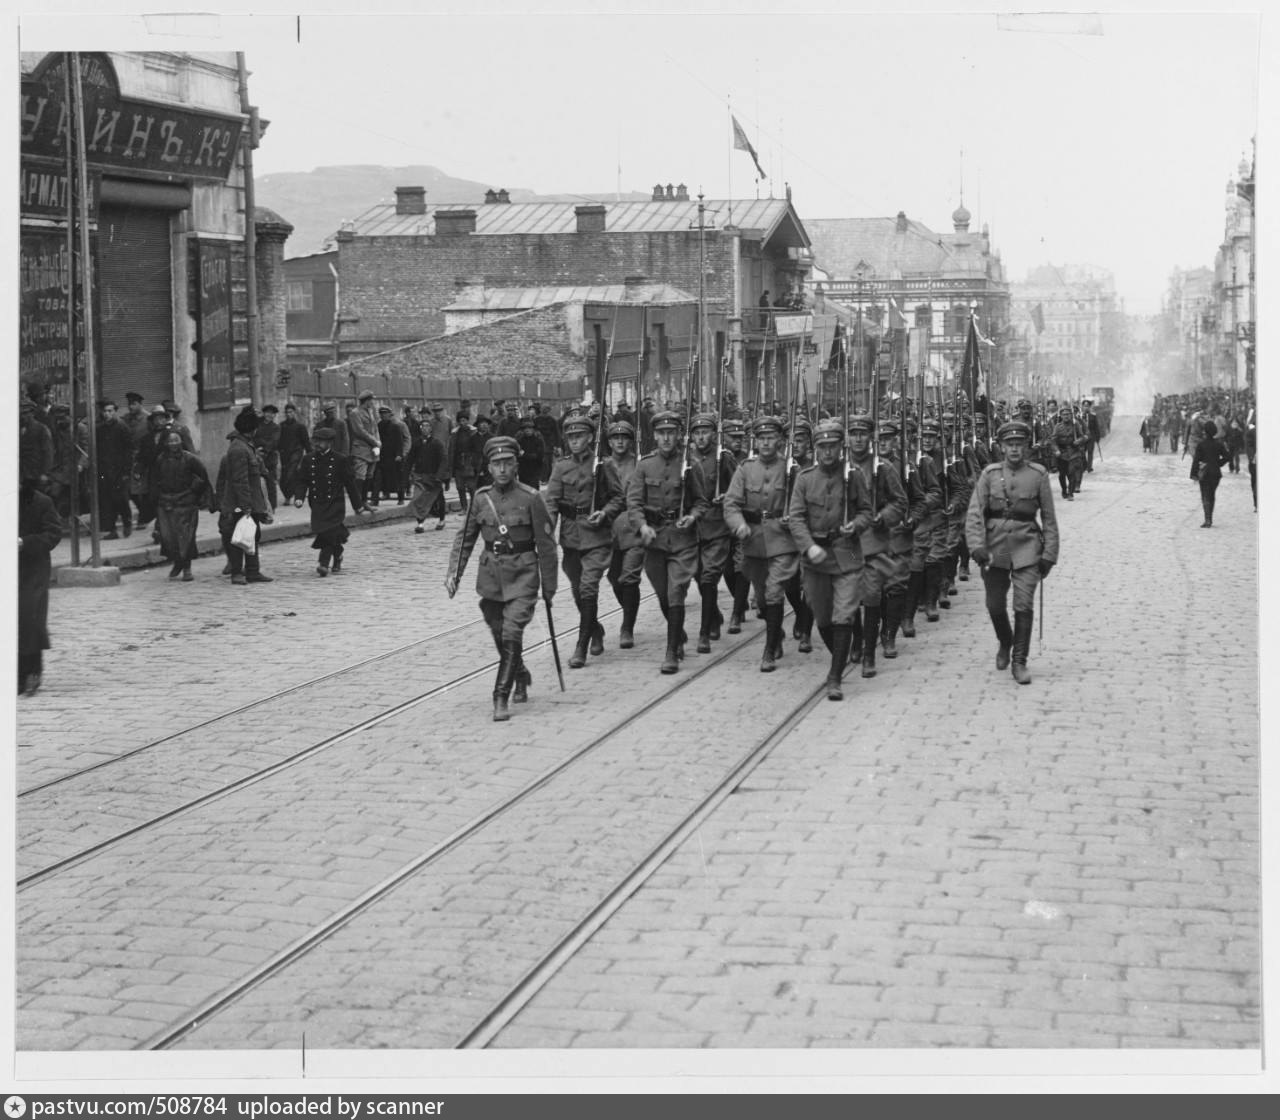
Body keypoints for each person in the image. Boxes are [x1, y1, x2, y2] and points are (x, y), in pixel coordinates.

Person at [445, 436, 559, 722]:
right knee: (498, 630)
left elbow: (546, 545)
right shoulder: (482, 498)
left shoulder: (531, 498)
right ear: (489, 467)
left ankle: (500, 696)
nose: (503, 469)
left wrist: (549, 587)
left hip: (524, 575)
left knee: (511, 631)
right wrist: (453, 574)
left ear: (516, 465)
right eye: (497, 464)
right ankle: (520, 672)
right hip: (491, 578)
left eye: (508, 463)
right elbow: (466, 538)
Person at [965, 418, 1059, 685]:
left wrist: (1049, 555)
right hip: (996, 549)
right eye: (1010, 445)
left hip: (1027, 547)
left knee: (1023, 604)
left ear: (1027, 446)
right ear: (1002, 447)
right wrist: (976, 547)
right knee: (994, 606)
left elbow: (1050, 519)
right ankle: (1005, 641)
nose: (1015, 449)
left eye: (1019, 444)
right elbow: (974, 514)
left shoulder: (1038, 475)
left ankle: (1020, 661)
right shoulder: (990, 474)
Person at [786, 419, 874, 701]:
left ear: (841, 447)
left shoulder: (854, 475)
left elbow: (866, 511)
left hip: (847, 548)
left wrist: (857, 525)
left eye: (833, 446)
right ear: (815, 448)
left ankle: (834, 677)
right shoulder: (805, 478)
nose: (828, 452)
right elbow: (796, 518)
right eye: (822, 447)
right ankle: (843, 650)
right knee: (822, 617)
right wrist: (808, 546)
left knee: (844, 612)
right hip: (816, 555)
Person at [626, 410, 709, 673]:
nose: (666, 438)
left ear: (678, 436)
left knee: (676, 592)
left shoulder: (690, 465)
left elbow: (701, 501)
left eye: (670, 433)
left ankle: (671, 652)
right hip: (654, 540)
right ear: (655, 436)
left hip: (682, 539)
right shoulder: (644, 466)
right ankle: (678, 634)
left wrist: (692, 517)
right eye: (661, 433)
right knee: (662, 593)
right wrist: (642, 526)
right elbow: (634, 503)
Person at [545, 414, 624, 668]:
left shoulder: (604, 464)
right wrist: (547, 532)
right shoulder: (561, 467)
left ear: (590, 437)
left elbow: (618, 498)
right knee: (579, 592)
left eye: (579, 436)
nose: (574, 441)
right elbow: (552, 502)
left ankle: (581, 647)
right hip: (570, 539)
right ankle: (596, 630)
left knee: (589, 587)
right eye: (570, 437)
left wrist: (606, 512)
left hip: (597, 537)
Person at [722, 415, 799, 672]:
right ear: (755, 441)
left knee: (775, 592)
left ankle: (768, 651)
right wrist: (738, 524)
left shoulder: (791, 469)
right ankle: (775, 633)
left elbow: (803, 502)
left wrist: (793, 516)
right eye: (761, 438)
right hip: (753, 540)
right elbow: (731, 503)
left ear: (779, 440)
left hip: (782, 540)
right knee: (764, 602)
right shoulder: (745, 469)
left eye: (771, 438)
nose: (766, 443)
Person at [845, 414, 909, 678]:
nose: (858, 439)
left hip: (874, 540)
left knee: (871, 594)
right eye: (853, 433)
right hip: (845, 543)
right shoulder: (839, 468)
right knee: (849, 597)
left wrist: (884, 517)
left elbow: (899, 502)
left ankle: (869, 653)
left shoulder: (882, 468)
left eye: (863, 434)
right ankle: (857, 638)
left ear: (870, 437)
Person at [686, 412, 737, 653]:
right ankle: (714, 614)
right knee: (697, 575)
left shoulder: (723, 458)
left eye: (705, 432)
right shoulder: (687, 460)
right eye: (696, 433)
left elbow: (738, 488)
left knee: (709, 577)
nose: (701, 437)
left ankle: (704, 632)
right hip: (693, 529)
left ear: (713, 434)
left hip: (717, 526)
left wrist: (726, 495)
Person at [216, 405, 274, 585]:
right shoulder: (239, 449)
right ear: (251, 430)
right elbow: (240, 481)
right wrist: (246, 505)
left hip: (249, 500)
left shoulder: (246, 446)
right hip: (240, 503)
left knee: (251, 535)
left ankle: (253, 571)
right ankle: (237, 573)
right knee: (239, 537)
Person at [297, 426, 367, 574]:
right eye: (316, 440)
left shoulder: (340, 460)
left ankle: (323, 563)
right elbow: (303, 481)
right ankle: (338, 554)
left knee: (328, 532)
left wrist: (358, 505)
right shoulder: (308, 459)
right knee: (326, 532)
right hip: (317, 503)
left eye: (321, 441)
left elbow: (350, 483)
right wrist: (299, 497)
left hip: (335, 503)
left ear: (330, 443)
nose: (317, 444)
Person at [18, 476, 62, 696]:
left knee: (30, 618)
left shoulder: (41, 502)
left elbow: (53, 534)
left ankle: (33, 670)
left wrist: (25, 543)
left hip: (33, 569)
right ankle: (17, 675)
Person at [603, 420, 644, 648]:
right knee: (614, 578)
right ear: (609, 442)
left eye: (624, 438)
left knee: (629, 578)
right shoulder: (602, 466)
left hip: (632, 528)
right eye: (615, 438)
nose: (620, 442)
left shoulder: (639, 465)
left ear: (630, 441)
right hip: (609, 531)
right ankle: (629, 612)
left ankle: (627, 627)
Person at [150, 429, 211, 580]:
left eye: (176, 440)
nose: (173, 444)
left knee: (185, 537)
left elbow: (202, 477)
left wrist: (192, 492)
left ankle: (187, 567)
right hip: (166, 504)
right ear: (165, 443)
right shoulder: (160, 460)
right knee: (168, 537)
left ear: (181, 441)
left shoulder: (190, 459)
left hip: (185, 503)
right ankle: (177, 562)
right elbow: (154, 481)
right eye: (170, 441)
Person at [93, 399, 134, 538]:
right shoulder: (99, 429)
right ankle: (111, 530)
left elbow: (129, 451)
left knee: (120, 499)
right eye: (104, 411)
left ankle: (127, 522)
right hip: (104, 470)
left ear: (115, 411)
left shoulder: (123, 428)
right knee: (106, 501)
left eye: (110, 411)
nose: (107, 414)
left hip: (119, 471)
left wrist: (126, 472)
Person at [1189, 420, 1231, 528]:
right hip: (1216, 473)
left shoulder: (1201, 445)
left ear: (1205, 431)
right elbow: (1227, 457)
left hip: (1205, 473)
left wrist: (1193, 474)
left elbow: (1196, 461)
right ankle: (1209, 518)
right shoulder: (1219, 444)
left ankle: (1208, 520)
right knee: (1211, 495)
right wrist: (1218, 463)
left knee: (1205, 496)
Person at [408, 418, 447, 532]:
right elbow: (410, 460)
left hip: (434, 476)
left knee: (438, 498)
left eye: (427, 426)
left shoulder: (437, 443)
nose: (425, 429)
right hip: (420, 476)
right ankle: (420, 523)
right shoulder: (416, 443)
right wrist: (406, 475)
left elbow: (443, 460)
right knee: (418, 499)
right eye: (422, 426)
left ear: (431, 429)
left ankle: (441, 519)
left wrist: (439, 476)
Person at [347, 392, 382, 507]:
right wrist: (374, 441)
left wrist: (378, 442)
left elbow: (375, 428)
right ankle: (357, 503)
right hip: (361, 449)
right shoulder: (355, 413)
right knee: (360, 476)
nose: (373, 403)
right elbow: (359, 431)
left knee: (369, 476)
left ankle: (364, 501)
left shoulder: (370, 412)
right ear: (366, 401)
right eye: (371, 400)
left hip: (372, 450)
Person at [277, 402, 311, 507]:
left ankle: (292, 497)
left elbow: (306, 442)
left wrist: (310, 454)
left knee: (290, 474)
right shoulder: (281, 426)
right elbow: (277, 441)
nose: (288, 414)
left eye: (290, 412)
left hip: (296, 453)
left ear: (294, 413)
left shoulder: (300, 427)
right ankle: (289, 496)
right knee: (283, 477)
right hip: (284, 455)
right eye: (286, 412)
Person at [375, 405, 408, 503]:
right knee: (381, 477)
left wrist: (399, 454)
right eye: (382, 414)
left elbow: (399, 442)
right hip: (382, 455)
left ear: (389, 415)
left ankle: (400, 498)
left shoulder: (395, 426)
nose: (383, 416)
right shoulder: (378, 426)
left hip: (394, 456)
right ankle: (381, 496)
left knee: (398, 477)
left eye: (385, 414)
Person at [253, 403, 281, 512]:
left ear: (274, 415)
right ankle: (259, 505)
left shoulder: (276, 428)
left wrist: (263, 449)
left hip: (269, 459)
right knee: (256, 482)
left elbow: (274, 442)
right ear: (264, 413)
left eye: (272, 413)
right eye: (267, 412)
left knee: (270, 482)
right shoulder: (257, 424)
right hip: (256, 456)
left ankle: (272, 506)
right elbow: (253, 437)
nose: (269, 415)